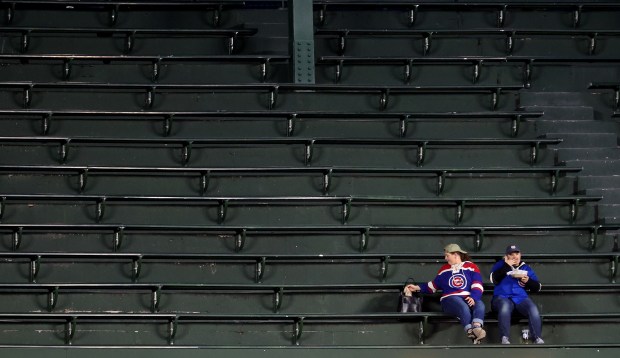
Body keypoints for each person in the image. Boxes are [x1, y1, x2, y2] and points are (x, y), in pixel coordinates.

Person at [406, 243, 486, 344]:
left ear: (456, 255)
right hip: (449, 299)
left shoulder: (471, 267)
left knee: (480, 304)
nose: (445, 258)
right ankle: (470, 331)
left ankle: (477, 328)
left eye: (447, 255)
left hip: (467, 298)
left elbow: (477, 284)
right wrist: (417, 287)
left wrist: (474, 297)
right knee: (462, 306)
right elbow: (433, 286)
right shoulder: (444, 269)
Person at [490, 244, 543, 345]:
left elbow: (538, 287)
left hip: (520, 298)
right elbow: (493, 279)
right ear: (506, 256)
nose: (515, 256)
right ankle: (504, 338)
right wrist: (506, 265)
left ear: (520, 254)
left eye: (517, 253)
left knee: (533, 309)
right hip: (501, 297)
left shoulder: (526, 267)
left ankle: (537, 338)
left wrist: (528, 281)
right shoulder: (500, 265)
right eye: (511, 254)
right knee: (505, 307)